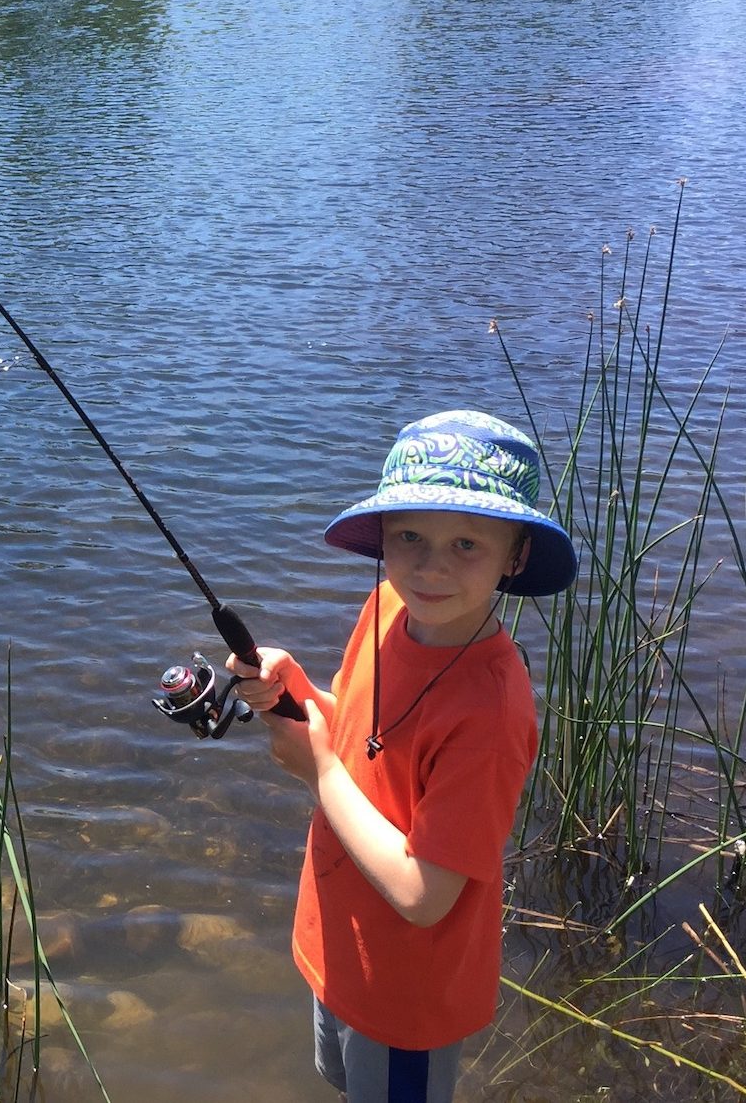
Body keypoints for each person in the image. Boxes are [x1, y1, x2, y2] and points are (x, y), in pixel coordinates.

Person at [229, 409, 576, 1103]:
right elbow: (361, 739)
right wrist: (295, 693)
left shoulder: (491, 708)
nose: (431, 565)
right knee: (344, 1081)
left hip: (405, 993)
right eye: (410, 535)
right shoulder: (388, 605)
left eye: (467, 543)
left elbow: (424, 894)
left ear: (514, 557)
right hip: (341, 945)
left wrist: (319, 771)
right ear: (383, 537)